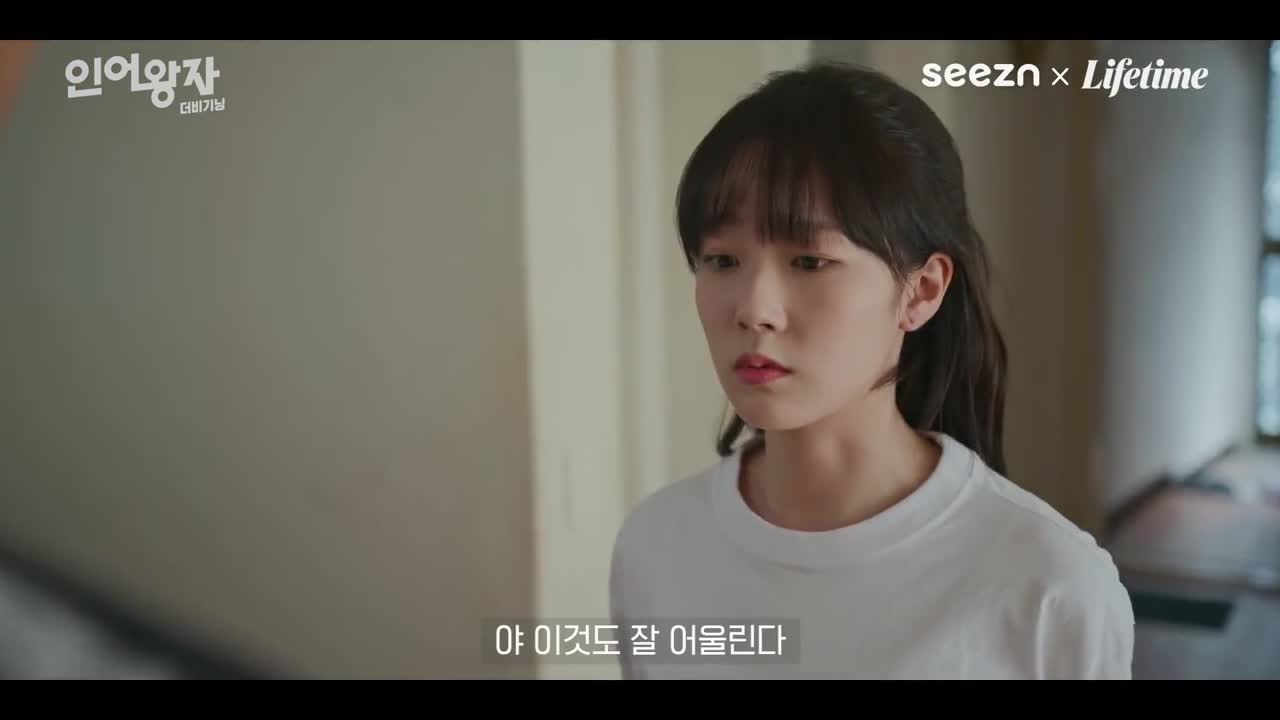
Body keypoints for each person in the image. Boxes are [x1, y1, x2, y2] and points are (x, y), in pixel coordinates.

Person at [607, 60, 1135, 680]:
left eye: (809, 262)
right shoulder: (658, 545)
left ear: (922, 291)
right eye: (722, 260)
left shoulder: (1049, 587)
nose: (754, 309)